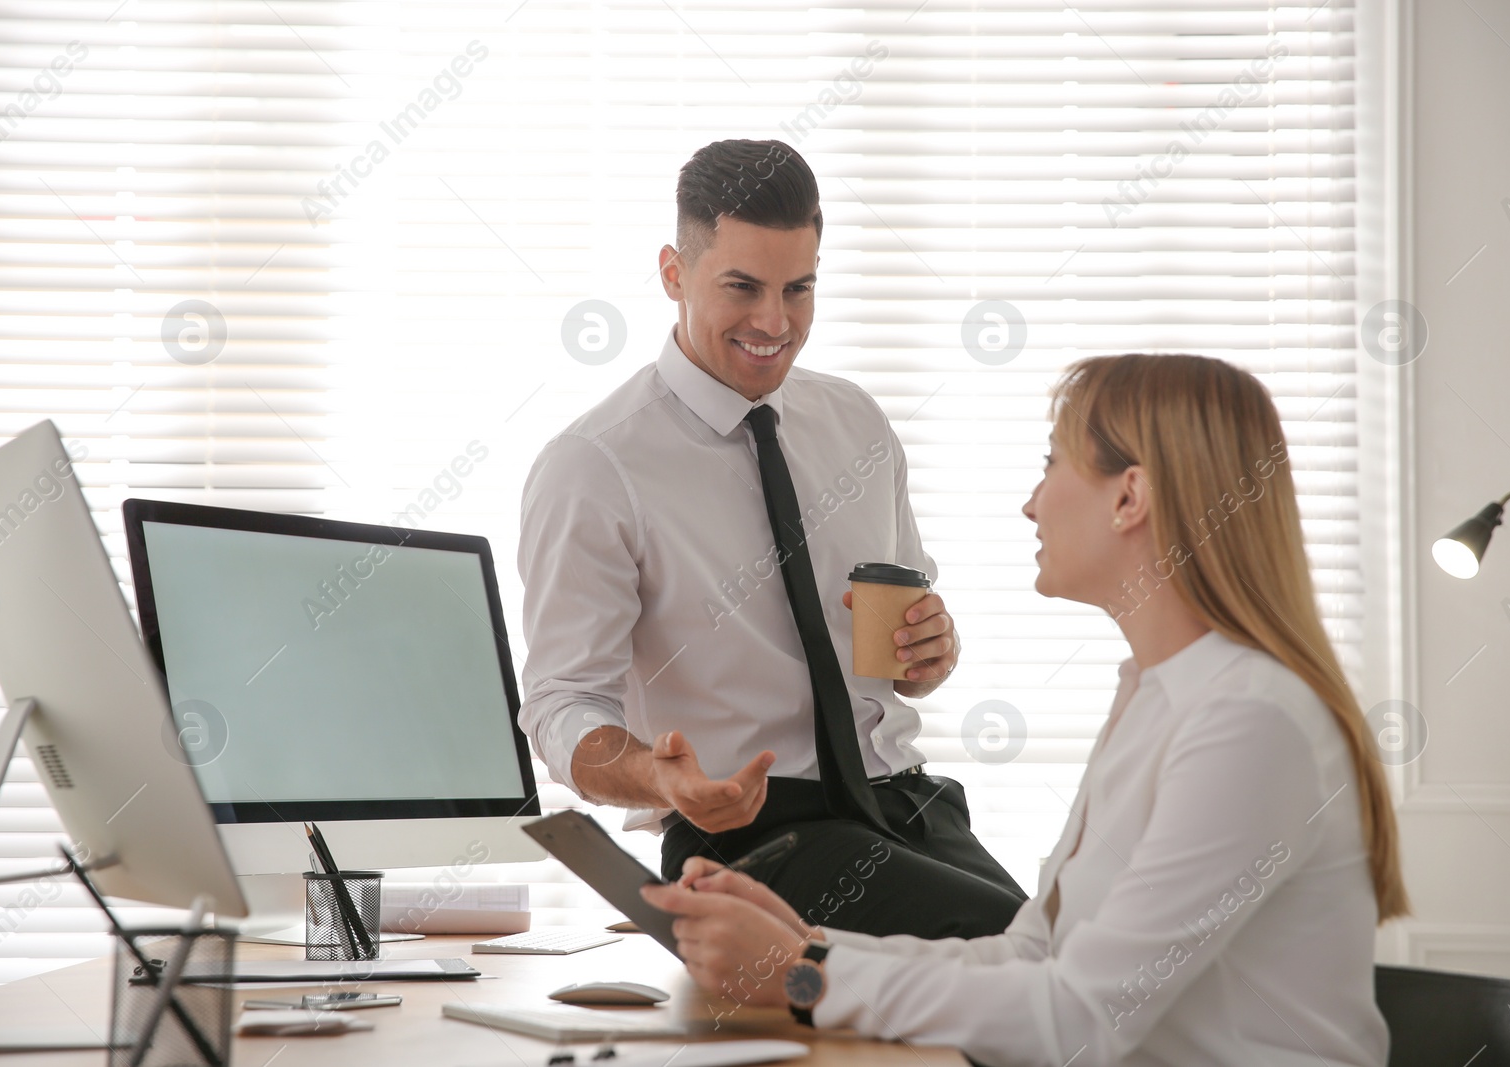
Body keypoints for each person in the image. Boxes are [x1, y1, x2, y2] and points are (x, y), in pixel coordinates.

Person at [642, 353, 1410, 1067]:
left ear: (1129, 496)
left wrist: (804, 978)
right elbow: (1031, 952)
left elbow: (1080, 1020)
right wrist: (802, 942)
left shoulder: (1249, 722)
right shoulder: (1155, 695)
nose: (1031, 501)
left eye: (1053, 464)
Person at [517, 138, 1025, 939]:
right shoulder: (595, 466)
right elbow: (559, 703)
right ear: (673, 273)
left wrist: (933, 649)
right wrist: (657, 776)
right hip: (751, 833)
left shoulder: (855, 421)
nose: (775, 322)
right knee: (1015, 961)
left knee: (1069, 972)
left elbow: (907, 646)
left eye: (800, 288)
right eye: (743, 287)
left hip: (908, 802)